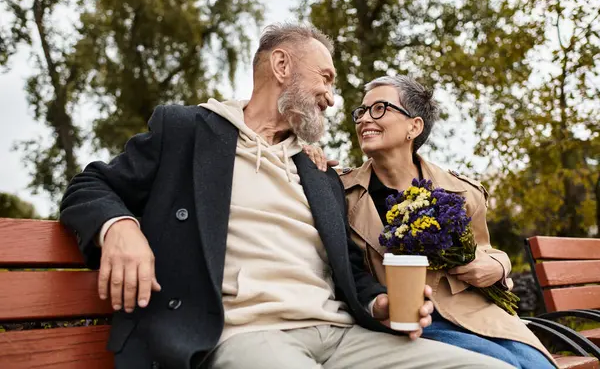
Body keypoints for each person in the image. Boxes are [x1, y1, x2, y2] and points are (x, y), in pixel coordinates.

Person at [60, 24, 514, 369]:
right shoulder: (188, 131)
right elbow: (90, 186)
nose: (332, 99)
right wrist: (119, 227)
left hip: (343, 336)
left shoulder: (318, 172)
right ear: (281, 67)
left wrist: (380, 303)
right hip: (249, 332)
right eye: (326, 78)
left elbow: (353, 275)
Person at [304, 75, 557, 369]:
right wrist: (303, 156)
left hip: (477, 314)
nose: (363, 120)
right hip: (405, 325)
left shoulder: (461, 191)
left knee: (536, 364)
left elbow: (485, 251)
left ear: (415, 126)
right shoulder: (338, 192)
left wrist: (500, 265)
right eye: (361, 111)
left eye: (380, 109)